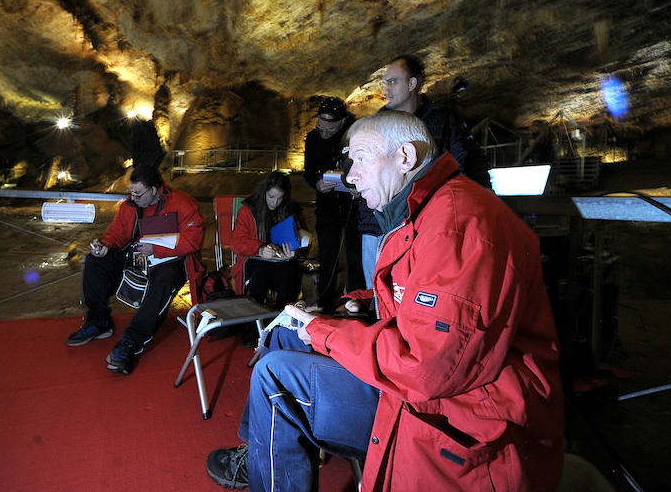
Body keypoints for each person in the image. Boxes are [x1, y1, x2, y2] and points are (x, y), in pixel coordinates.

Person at [206, 111, 563, 491]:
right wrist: (362, 303)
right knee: (284, 336)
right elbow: (428, 305)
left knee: (274, 375)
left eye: (360, 158)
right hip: (433, 386)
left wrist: (325, 331)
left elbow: (426, 368)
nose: (350, 175)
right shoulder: (424, 211)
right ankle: (259, 446)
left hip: (458, 415)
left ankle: (270, 450)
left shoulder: (457, 228)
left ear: (405, 157)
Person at [358, 55, 490, 288]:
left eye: (392, 81)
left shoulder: (443, 120)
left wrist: (482, 211)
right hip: (378, 226)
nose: (385, 88)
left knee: (420, 297)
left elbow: (468, 162)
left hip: (425, 228)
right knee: (378, 298)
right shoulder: (375, 123)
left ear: (412, 84)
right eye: (385, 81)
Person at [66, 164, 204, 375]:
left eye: (138, 193)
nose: (133, 197)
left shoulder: (184, 204)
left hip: (170, 261)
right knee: (95, 262)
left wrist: (155, 248)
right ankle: (99, 321)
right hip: (136, 255)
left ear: (155, 190)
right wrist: (105, 245)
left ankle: (131, 342)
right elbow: (117, 233)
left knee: (165, 282)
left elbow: (193, 240)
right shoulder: (129, 206)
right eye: (130, 192)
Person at [303, 96, 364, 313]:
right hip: (327, 203)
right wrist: (317, 183)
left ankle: (358, 302)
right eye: (322, 120)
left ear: (341, 121)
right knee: (326, 255)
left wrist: (357, 184)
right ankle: (325, 303)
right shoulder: (312, 138)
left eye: (330, 122)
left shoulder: (354, 135)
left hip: (353, 204)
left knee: (355, 254)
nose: (325, 127)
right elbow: (308, 171)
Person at [230, 171, 308, 308]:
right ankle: (253, 322)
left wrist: (296, 251)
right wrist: (259, 249)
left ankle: (283, 316)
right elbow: (237, 243)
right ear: (264, 192)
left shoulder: (291, 210)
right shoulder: (249, 210)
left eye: (280, 198)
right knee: (261, 273)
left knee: (289, 272)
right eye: (271, 197)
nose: (275, 202)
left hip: (282, 261)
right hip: (255, 260)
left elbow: (303, 238)